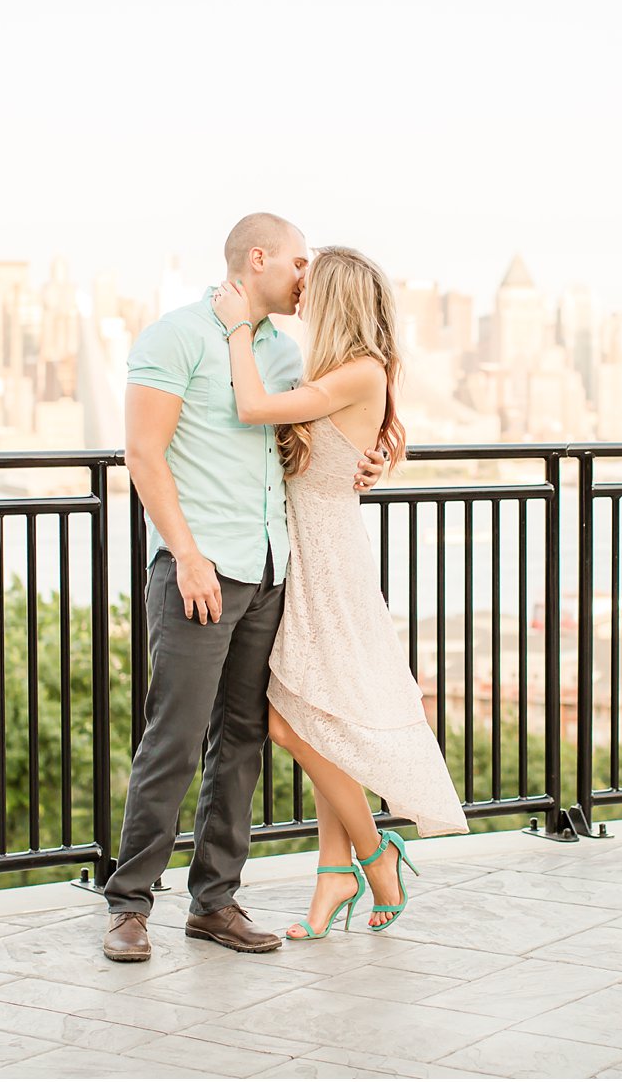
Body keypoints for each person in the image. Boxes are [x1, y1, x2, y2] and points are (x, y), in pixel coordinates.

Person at [103, 213, 385, 963]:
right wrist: (187, 555)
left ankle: (215, 902)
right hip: (200, 572)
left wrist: (378, 454)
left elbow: (323, 425)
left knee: (244, 741)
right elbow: (143, 453)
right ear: (256, 259)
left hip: (271, 571)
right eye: (297, 262)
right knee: (172, 741)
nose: (306, 276)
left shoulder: (285, 353)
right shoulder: (176, 336)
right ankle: (129, 907)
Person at [210, 246, 467, 940]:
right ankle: (332, 875)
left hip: (331, 563)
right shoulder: (335, 371)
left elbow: (253, 407)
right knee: (319, 716)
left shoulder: (359, 370)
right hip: (306, 555)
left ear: (336, 301)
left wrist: (236, 325)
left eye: (310, 286)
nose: (300, 294)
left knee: (289, 722)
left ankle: (377, 855)